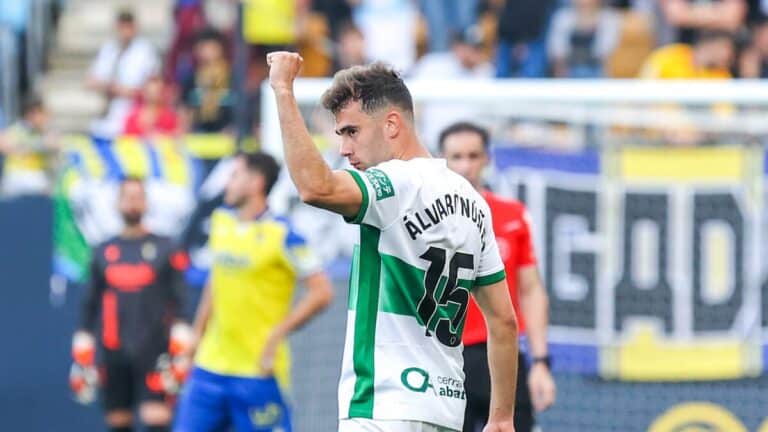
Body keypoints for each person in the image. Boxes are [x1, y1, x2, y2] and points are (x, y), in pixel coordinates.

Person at [267, 52, 520, 432]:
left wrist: (283, 90)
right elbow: (503, 320)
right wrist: (502, 417)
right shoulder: (473, 203)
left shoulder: (395, 183)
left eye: (351, 131)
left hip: (382, 408)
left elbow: (315, 186)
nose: (344, 149)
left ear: (391, 124)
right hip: (444, 412)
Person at [174, 152, 334, 432]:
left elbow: (322, 292)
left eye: (234, 176)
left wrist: (277, 334)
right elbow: (216, 282)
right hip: (209, 367)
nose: (227, 184)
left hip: (258, 372)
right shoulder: (221, 221)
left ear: (256, 182)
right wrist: (196, 337)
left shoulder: (284, 235)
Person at [438, 122, 556, 432]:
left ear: (487, 158)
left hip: (500, 356)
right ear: (442, 160)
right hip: (443, 357)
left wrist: (541, 363)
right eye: (456, 156)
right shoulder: (425, 218)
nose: (465, 166)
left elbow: (531, 289)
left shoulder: (512, 215)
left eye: (473, 155)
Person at [72, 178, 190, 432]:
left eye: (138, 196)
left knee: (156, 419)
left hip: (155, 350)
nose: (132, 202)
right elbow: (90, 304)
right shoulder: (103, 250)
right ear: (117, 203)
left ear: (147, 202)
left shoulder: (165, 247)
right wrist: (82, 351)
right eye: (127, 196)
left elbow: (180, 302)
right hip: (114, 351)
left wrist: (181, 352)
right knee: (118, 421)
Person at [0, 95, 60, 196]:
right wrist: (39, 144)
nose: (46, 117)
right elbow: (4, 146)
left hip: (38, 177)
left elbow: (56, 144)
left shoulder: (45, 131)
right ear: (31, 114)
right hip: (17, 177)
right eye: (42, 113)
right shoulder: (17, 129)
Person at [547, 0, 621, 78]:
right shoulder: (562, 17)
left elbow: (607, 52)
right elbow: (556, 50)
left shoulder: (610, 18)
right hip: (568, 71)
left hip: (598, 71)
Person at [639, 30, 735, 79]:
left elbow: (725, 114)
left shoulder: (721, 75)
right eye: (726, 47)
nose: (730, 54)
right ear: (713, 44)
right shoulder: (669, 56)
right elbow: (645, 87)